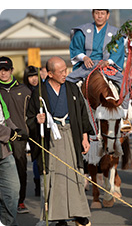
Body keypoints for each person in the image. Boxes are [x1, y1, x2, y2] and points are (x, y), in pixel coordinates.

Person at [26, 57, 92, 226]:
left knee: (74, 174)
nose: (65, 74)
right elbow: (29, 118)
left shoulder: (71, 88)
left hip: (71, 134)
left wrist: (85, 137)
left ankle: (79, 214)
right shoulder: (39, 92)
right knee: (55, 176)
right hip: (51, 138)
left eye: (66, 70)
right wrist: (37, 120)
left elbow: (82, 113)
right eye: (61, 71)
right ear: (49, 73)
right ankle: (59, 216)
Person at [0, 57, 32, 214]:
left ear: (11, 71)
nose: (3, 73)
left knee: (21, 168)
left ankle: (20, 201)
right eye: (0, 70)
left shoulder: (25, 90)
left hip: (19, 137)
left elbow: (31, 114)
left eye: (6, 70)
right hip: (2, 138)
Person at [68, 9, 125, 85]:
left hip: (107, 68)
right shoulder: (82, 31)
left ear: (107, 15)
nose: (99, 16)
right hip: (86, 67)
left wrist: (107, 62)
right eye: (97, 13)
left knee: (124, 85)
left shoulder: (116, 34)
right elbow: (76, 48)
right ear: (92, 14)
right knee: (68, 81)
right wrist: (84, 58)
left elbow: (118, 53)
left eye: (102, 13)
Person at [0, 90, 21, 226]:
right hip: (3, 138)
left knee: (12, 189)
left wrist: (17, 131)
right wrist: (9, 133)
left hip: (4, 150)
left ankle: (8, 223)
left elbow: (5, 117)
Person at [22, 66, 41, 197]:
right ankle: (37, 184)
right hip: (30, 127)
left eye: (35, 76)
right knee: (35, 156)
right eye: (30, 76)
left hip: (43, 126)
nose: (34, 79)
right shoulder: (24, 91)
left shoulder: (43, 89)